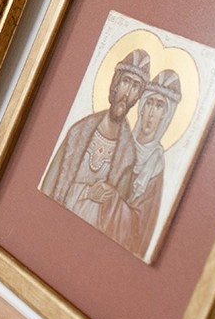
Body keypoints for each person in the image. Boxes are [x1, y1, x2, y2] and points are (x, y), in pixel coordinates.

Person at [40, 49, 150, 230]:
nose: (127, 93)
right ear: (115, 84)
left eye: (135, 86)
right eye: (126, 82)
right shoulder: (78, 133)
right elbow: (47, 188)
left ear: (138, 96)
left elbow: (115, 220)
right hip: (52, 222)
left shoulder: (128, 155)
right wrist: (87, 192)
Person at [98, 68, 182, 259]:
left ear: (166, 116)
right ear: (141, 107)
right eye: (149, 103)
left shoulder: (155, 167)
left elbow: (141, 227)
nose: (151, 112)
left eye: (159, 106)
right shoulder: (120, 141)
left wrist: (110, 198)